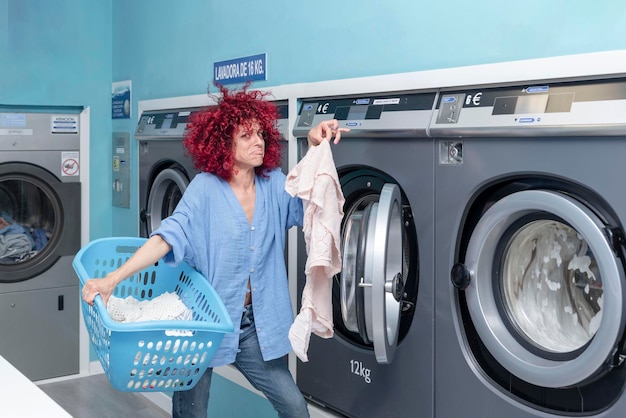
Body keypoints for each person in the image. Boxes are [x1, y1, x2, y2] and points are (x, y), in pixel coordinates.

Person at [80, 83, 348, 418]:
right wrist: (112, 280)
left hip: (255, 325)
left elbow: (310, 203)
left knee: (294, 407)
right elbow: (166, 237)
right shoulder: (205, 189)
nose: (259, 142)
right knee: (191, 411)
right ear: (225, 143)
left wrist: (313, 148)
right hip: (204, 322)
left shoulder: (274, 185)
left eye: (261, 134)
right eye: (247, 136)